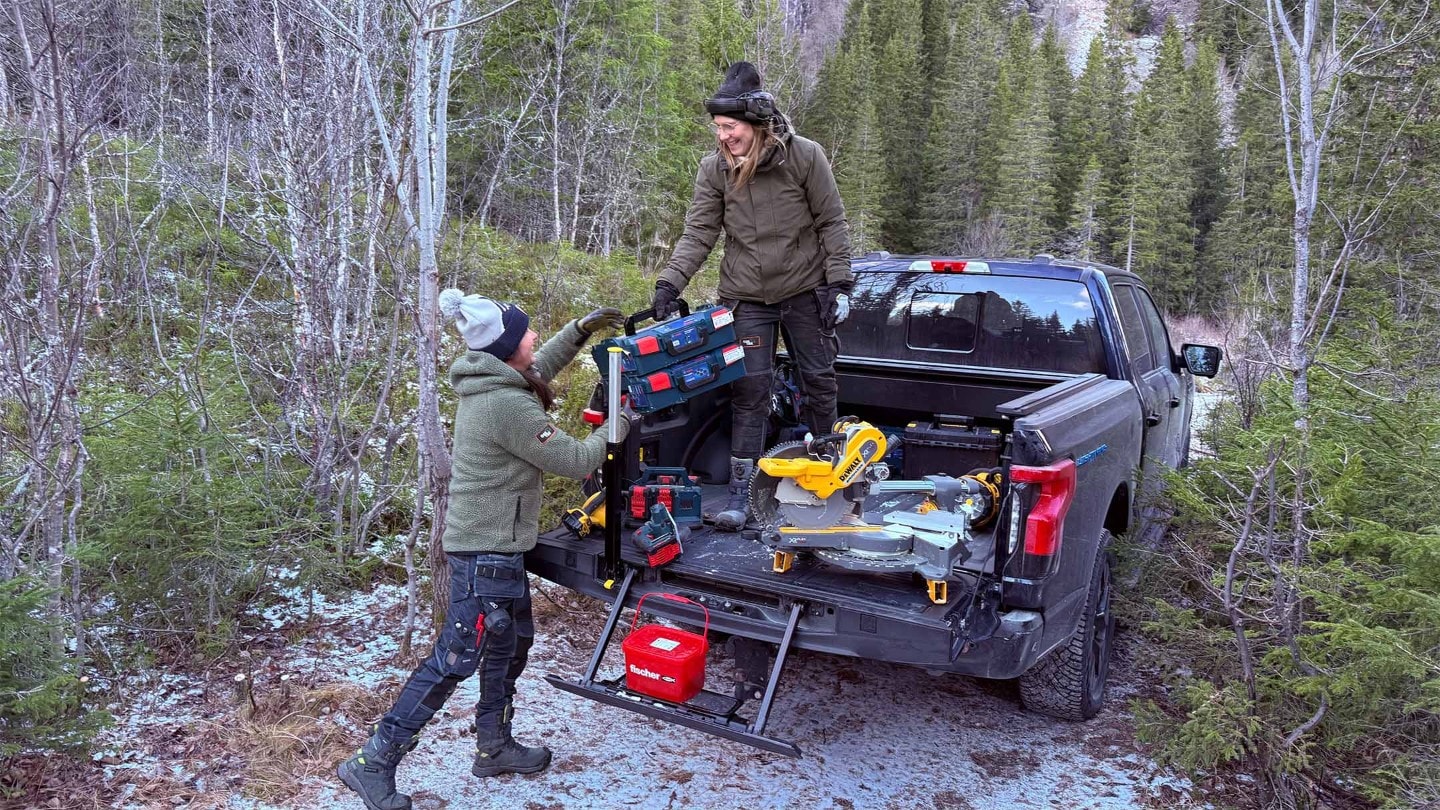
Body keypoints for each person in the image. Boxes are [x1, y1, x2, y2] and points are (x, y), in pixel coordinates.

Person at [339, 290, 630, 810]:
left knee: (510, 645)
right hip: (484, 554)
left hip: (501, 549)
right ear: (505, 347)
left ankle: (493, 748)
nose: (534, 337)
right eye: (526, 332)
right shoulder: (506, 405)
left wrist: (580, 330)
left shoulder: (493, 379)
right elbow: (576, 459)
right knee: (455, 658)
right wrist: (619, 421)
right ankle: (373, 761)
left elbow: (539, 364)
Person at [652, 60, 853, 531]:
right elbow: (699, 231)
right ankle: (743, 495)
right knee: (750, 391)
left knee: (819, 382)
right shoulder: (715, 169)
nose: (723, 137)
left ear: (757, 124)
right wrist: (670, 282)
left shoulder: (804, 156)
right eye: (718, 128)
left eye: (730, 127)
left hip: (805, 290)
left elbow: (832, 222)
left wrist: (839, 283)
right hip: (746, 297)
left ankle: (834, 480)